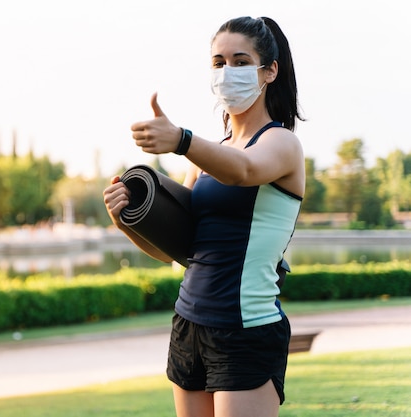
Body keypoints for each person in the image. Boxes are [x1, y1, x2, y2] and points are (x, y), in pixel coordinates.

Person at [103, 16, 305, 417]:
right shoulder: (206, 157)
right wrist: (124, 220)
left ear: (269, 70)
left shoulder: (282, 144)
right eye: (218, 62)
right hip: (189, 322)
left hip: (246, 329)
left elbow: (244, 171)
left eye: (240, 61)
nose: (227, 72)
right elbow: (174, 250)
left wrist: (181, 140)